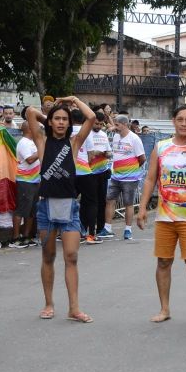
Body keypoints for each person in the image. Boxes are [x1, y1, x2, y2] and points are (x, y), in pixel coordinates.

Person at [137, 105, 186, 324]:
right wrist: (142, 208)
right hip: (165, 216)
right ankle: (164, 309)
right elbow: (151, 178)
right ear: (173, 121)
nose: (183, 123)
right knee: (163, 262)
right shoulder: (161, 147)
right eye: (179, 119)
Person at [25, 96, 96, 323]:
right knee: (48, 256)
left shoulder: (74, 144)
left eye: (65, 119)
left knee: (71, 256)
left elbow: (92, 117)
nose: (61, 122)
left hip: (69, 207)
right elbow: (29, 112)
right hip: (46, 206)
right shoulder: (42, 142)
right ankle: (48, 303)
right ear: (50, 122)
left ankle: (74, 308)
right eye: (57, 119)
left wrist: (74, 99)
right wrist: (49, 116)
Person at [97, 114, 146, 240]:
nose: (115, 127)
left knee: (128, 203)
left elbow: (142, 158)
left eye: (117, 125)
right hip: (116, 176)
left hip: (130, 178)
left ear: (125, 124)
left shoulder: (134, 139)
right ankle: (107, 228)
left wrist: (132, 169)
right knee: (110, 200)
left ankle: (128, 230)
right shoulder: (116, 136)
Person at [79, 110, 112, 243]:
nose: (98, 126)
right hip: (89, 172)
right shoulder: (86, 133)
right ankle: (84, 227)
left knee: (101, 201)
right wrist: (97, 152)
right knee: (88, 202)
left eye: (100, 124)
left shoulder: (104, 135)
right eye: (96, 123)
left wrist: (107, 153)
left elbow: (109, 150)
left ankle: (100, 228)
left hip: (103, 171)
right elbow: (88, 152)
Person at [10, 121, 41, 248]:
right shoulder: (23, 143)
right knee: (22, 209)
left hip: (35, 181)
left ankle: (27, 236)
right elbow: (29, 160)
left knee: (32, 210)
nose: (38, 129)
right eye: (36, 127)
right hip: (25, 181)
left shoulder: (33, 142)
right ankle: (15, 238)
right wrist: (42, 149)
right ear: (29, 129)